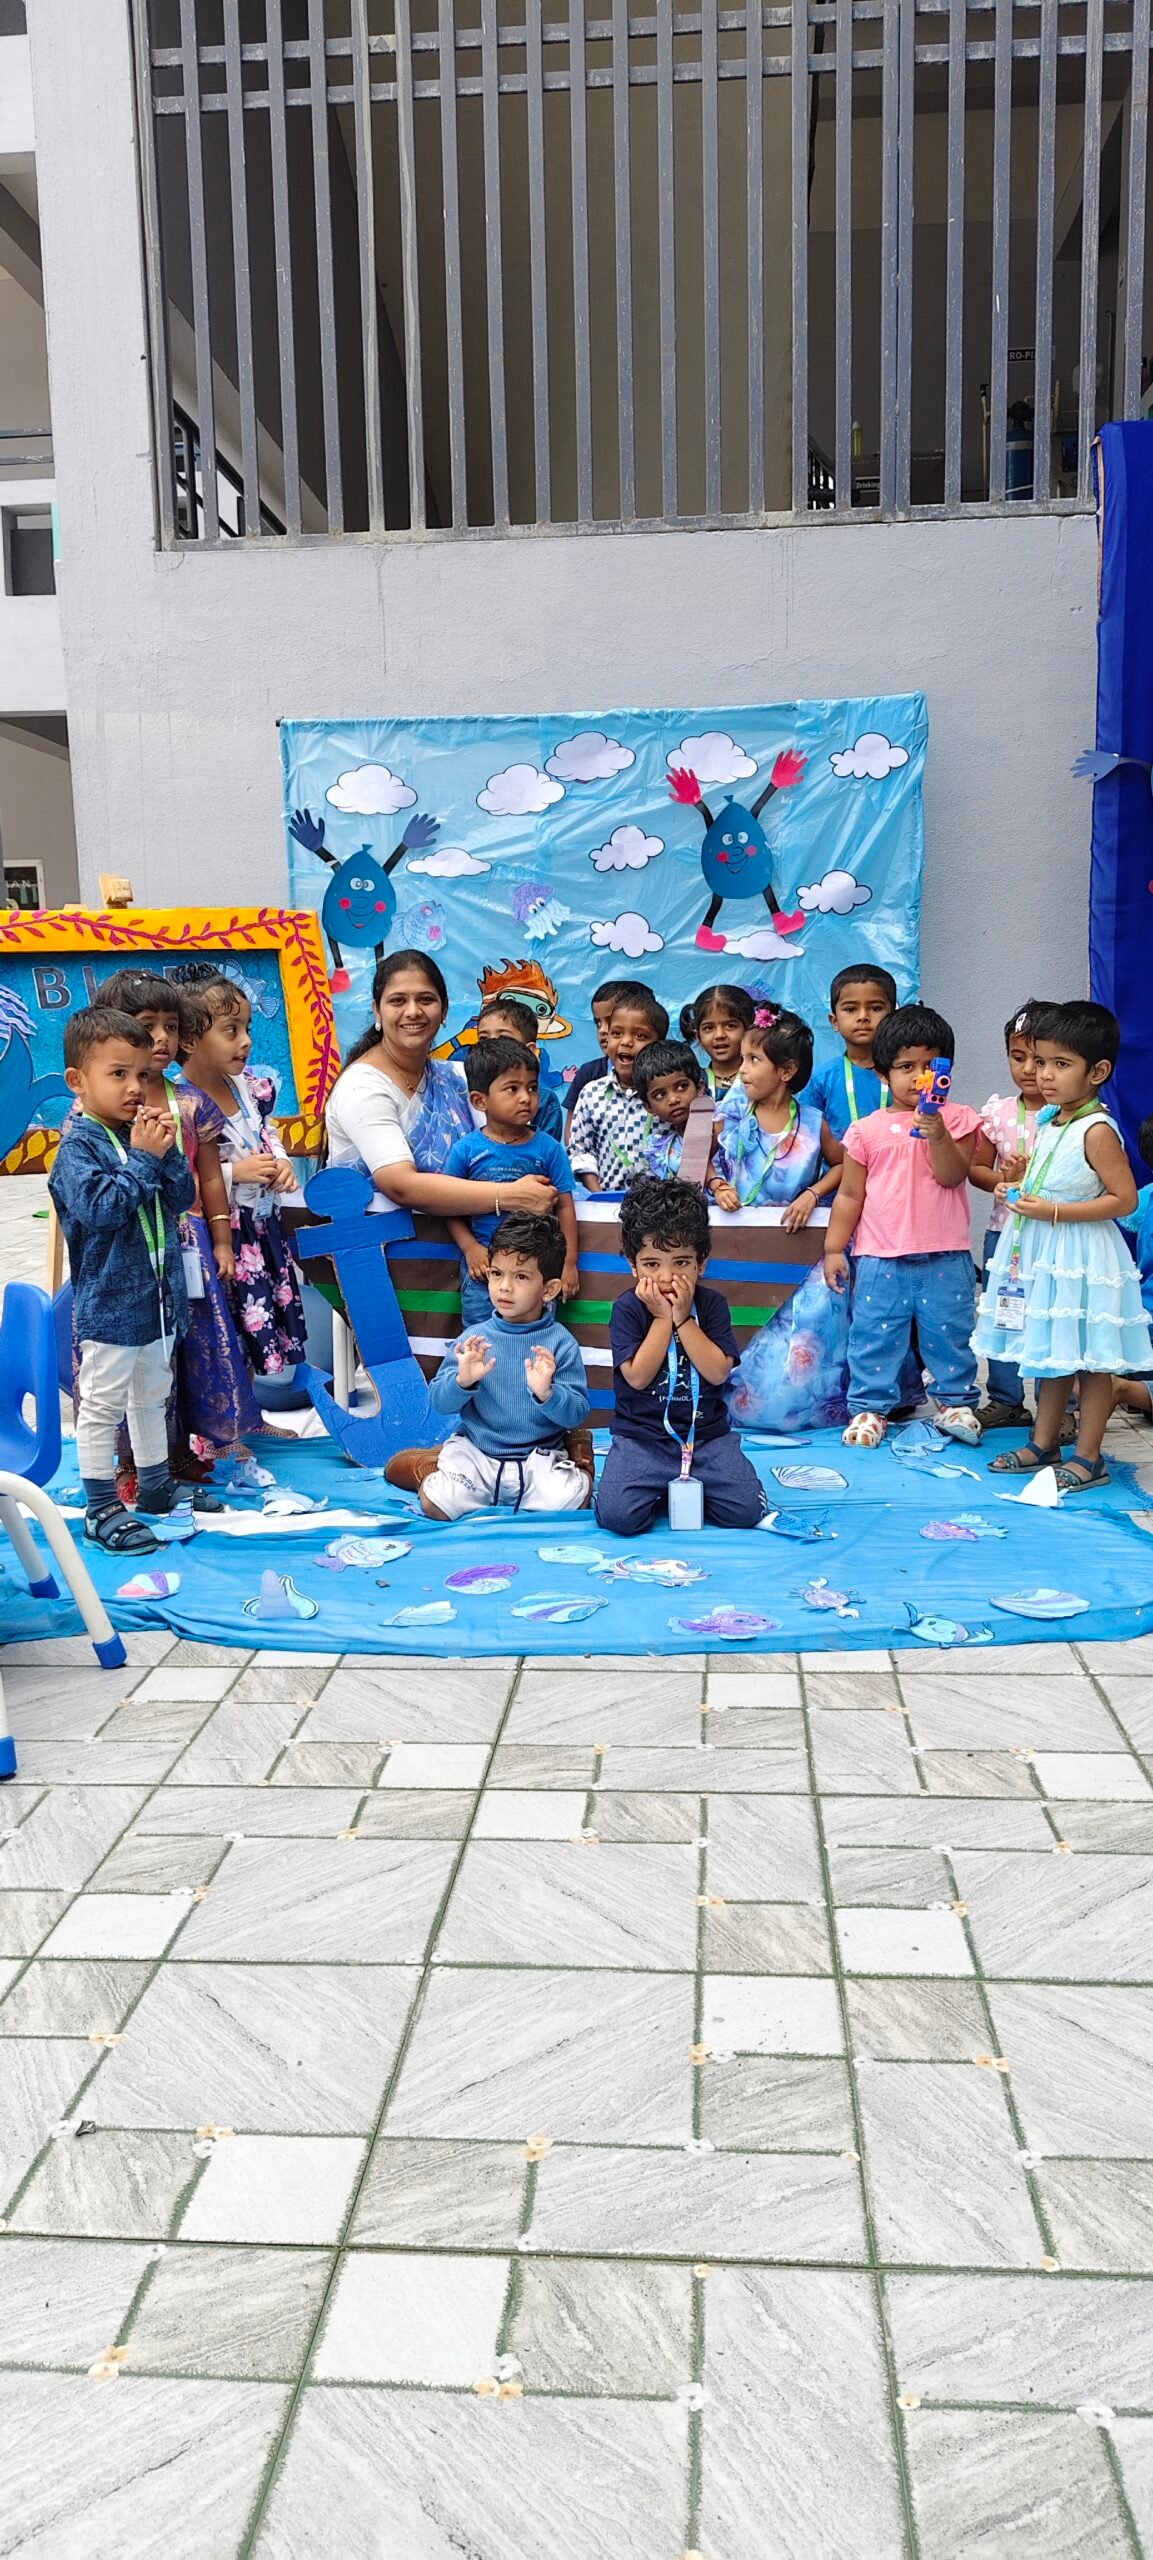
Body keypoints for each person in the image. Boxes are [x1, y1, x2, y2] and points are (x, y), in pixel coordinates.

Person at [92, 970, 260, 1484]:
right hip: (127, 1256)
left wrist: (223, 1240)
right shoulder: (100, 1110)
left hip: (189, 1250)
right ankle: (131, 1461)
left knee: (192, 1348)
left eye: (170, 1026)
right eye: (148, 1025)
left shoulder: (189, 1102)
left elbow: (208, 1175)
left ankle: (182, 1447)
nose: (161, 1039)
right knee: (133, 1354)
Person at [979, 1000, 1151, 1491]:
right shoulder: (1054, 1119)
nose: (1044, 1074)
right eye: (1039, 1061)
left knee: (1091, 1361)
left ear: (1097, 1072)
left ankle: (1089, 1456)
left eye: (1060, 1063)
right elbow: (1054, 1179)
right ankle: (1043, 1442)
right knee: (1053, 1354)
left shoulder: (1096, 1130)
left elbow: (1123, 1200)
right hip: (1047, 1256)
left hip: (1082, 1257)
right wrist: (1015, 1183)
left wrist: (1053, 1211)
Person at [49, 1006, 196, 1554]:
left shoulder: (139, 1135)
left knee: (152, 1395)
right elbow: (103, 1207)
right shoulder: (77, 1148)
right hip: (111, 1305)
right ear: (77, 1081)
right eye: (118, 1074)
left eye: (142, 1074)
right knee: (102, 1405)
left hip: (158, 1299)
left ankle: (155, 1487)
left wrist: (167, 1152)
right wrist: (143, 1159)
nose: (135, 1087)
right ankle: (101, 1507)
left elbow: (180, 1199)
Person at [823, 1002, 983, 1448]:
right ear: (882, 1073)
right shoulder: (866, 1131)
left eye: (931, 1066)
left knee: (949, 1332)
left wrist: (937, 1132)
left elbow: (952, 1175)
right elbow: (850, 1195)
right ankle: (869, 1408)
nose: (919, 1077)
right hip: (880, 1258)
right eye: (906, 1067)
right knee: (874, 1336)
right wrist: (834, 1248)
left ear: (947, 1071)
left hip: (945, 1254)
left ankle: (955, 1403)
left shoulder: (959, 1119)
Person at [324, 950, 558, 1226]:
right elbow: (399, 1185)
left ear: (444, 1010)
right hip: (383, 1243)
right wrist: (508, 1195)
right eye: (398, 1000)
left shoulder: (456, 1077)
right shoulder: (362, 1087)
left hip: (479, 1241)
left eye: (426, 999)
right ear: (377, 1010)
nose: (413, 1011)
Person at [595, 1176, 767, 1534]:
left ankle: (684, 1486)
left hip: (706, 1438)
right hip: (642, 1439)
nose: (667, 1276)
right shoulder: (628, 1309)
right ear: (633, 1265)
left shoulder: (712, 1305)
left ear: (701, 1263)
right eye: (652, 1264)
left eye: (682, 1262)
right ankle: (661, 1489)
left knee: (746, 1510)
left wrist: (684, 1319)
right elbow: (637, 1377)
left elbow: (718, 1373)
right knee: (617, 1517)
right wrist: (662, 1319)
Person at [418, 1212, 591, 1519]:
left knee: (572, 1501)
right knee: (437, 1503)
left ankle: (577, 1460)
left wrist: (548, 1394)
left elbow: (577, 1413)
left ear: (549, 1290)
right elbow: (439, 1403)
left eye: (521, 1277)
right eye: (497, 1274)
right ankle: (435, 1467)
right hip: (478, 1453)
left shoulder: (560, 1343)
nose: (505, 1287)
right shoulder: (474, 1340)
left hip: (539, 1458)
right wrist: (462, 1382)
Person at [180, 975, 308, 1379]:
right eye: (231, 1031)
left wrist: (280, 1161)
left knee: (256, 1332)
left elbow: (267, 1131)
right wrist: (235, 1173)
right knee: (227, 1333)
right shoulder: (181, 1104)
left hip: (261, 1229)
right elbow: (182, 1172)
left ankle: (251, 1408)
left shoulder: (249, 1088)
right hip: (222, 1236)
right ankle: (226, 1418)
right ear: (190, 1041)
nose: (246, 1041)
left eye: (247, 1028)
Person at [443, 1036, 578, 1323]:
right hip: (484, 1270)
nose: (526, 1097)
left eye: (532, 1087)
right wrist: (470, 1248)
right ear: (480, 1100)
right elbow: (448, 1207)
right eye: (512, 1089)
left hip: (538, 1271)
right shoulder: (465, 1150)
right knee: (480, 1338)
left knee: (536, 1337)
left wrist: (568, 1263)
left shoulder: (549, 1149)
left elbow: (565, 1206)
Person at [968, 1000, 1052, 1431]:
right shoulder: (998, 1112)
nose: (1029, 1070)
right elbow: (977, 1169)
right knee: (1004, 1313)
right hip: (1005, 1234)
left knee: (1053, 1315)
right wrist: (1002, 1179)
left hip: (1056, 1234)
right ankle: (1005, 1399)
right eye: (1018, 1058)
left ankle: (1058, 1406)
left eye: (1041, 1060)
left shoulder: (1073, 1115)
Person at [712, 1008, 828, 1212]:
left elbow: (843, 1165)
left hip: (789, 1230)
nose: (742, 1069)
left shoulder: (814, 1123)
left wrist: (813, 1194)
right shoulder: (730, 1114)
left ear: (787, 1071)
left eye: (754, 1059)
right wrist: (717, 1186)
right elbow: (698, 1158)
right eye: (742, 1058)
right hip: (731, 1228)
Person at [568, 987, 669, 1190]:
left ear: (658, 1044)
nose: (626, 1042)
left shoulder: (670, 1095)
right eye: (617, 1033)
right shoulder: (591, 1094)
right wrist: (598, 1195)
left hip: (663, 1203)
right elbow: (581, 1151)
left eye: (640, 1036)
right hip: (605, 1201)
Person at [802, 965, 898, 1141]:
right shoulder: (822, 1079)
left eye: (876, 1008)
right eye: (851, 1009)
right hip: (840, 1159)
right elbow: (807, 1135)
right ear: (834, 1021)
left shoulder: (905, 1073)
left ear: (893, 1016)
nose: (863, 1016)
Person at [473, 995, 564, 1139]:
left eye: (504, 1038)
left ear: (530, 1051)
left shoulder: (543, 1100)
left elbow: (547, 1150)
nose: (491, 1046)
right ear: (478, 1101)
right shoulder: (465, 1090)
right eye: (483, 1039)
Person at [563, 978, 647, 1132]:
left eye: (611, 1020)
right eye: (598, 1023)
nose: (602, 1030)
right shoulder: (589, 1074)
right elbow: (572, 1131)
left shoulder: (664, 1073)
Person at [1116, 1115, 1153, 1421]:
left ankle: (1134, 1390)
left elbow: (1125, 1218)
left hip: (1144, 1316)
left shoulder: (1144, 1198)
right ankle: (1125, 1391)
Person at [633, 1039, 712, 1180]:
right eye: (660, 1095)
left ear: (700, 1088)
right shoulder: (662, 1153)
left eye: (681, 1087)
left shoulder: (724, 1131)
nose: (673, 1100)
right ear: (649, 1106)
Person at [679, 983, 755, 1102]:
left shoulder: (761, 1078)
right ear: (698, 1035)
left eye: (730, 1026)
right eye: (709, 1028)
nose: (719, 1035)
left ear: (749, 1030)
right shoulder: (693, 1082)